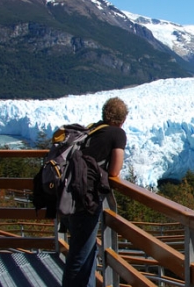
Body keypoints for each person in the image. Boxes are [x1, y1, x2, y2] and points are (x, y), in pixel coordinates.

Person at [62, 97, 128, 287]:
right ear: (122, 119)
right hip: (86, 200)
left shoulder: (94, 129)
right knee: (80, 255)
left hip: (69, 194)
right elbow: (115, 170)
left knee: (86, 251)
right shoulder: (117, 134)